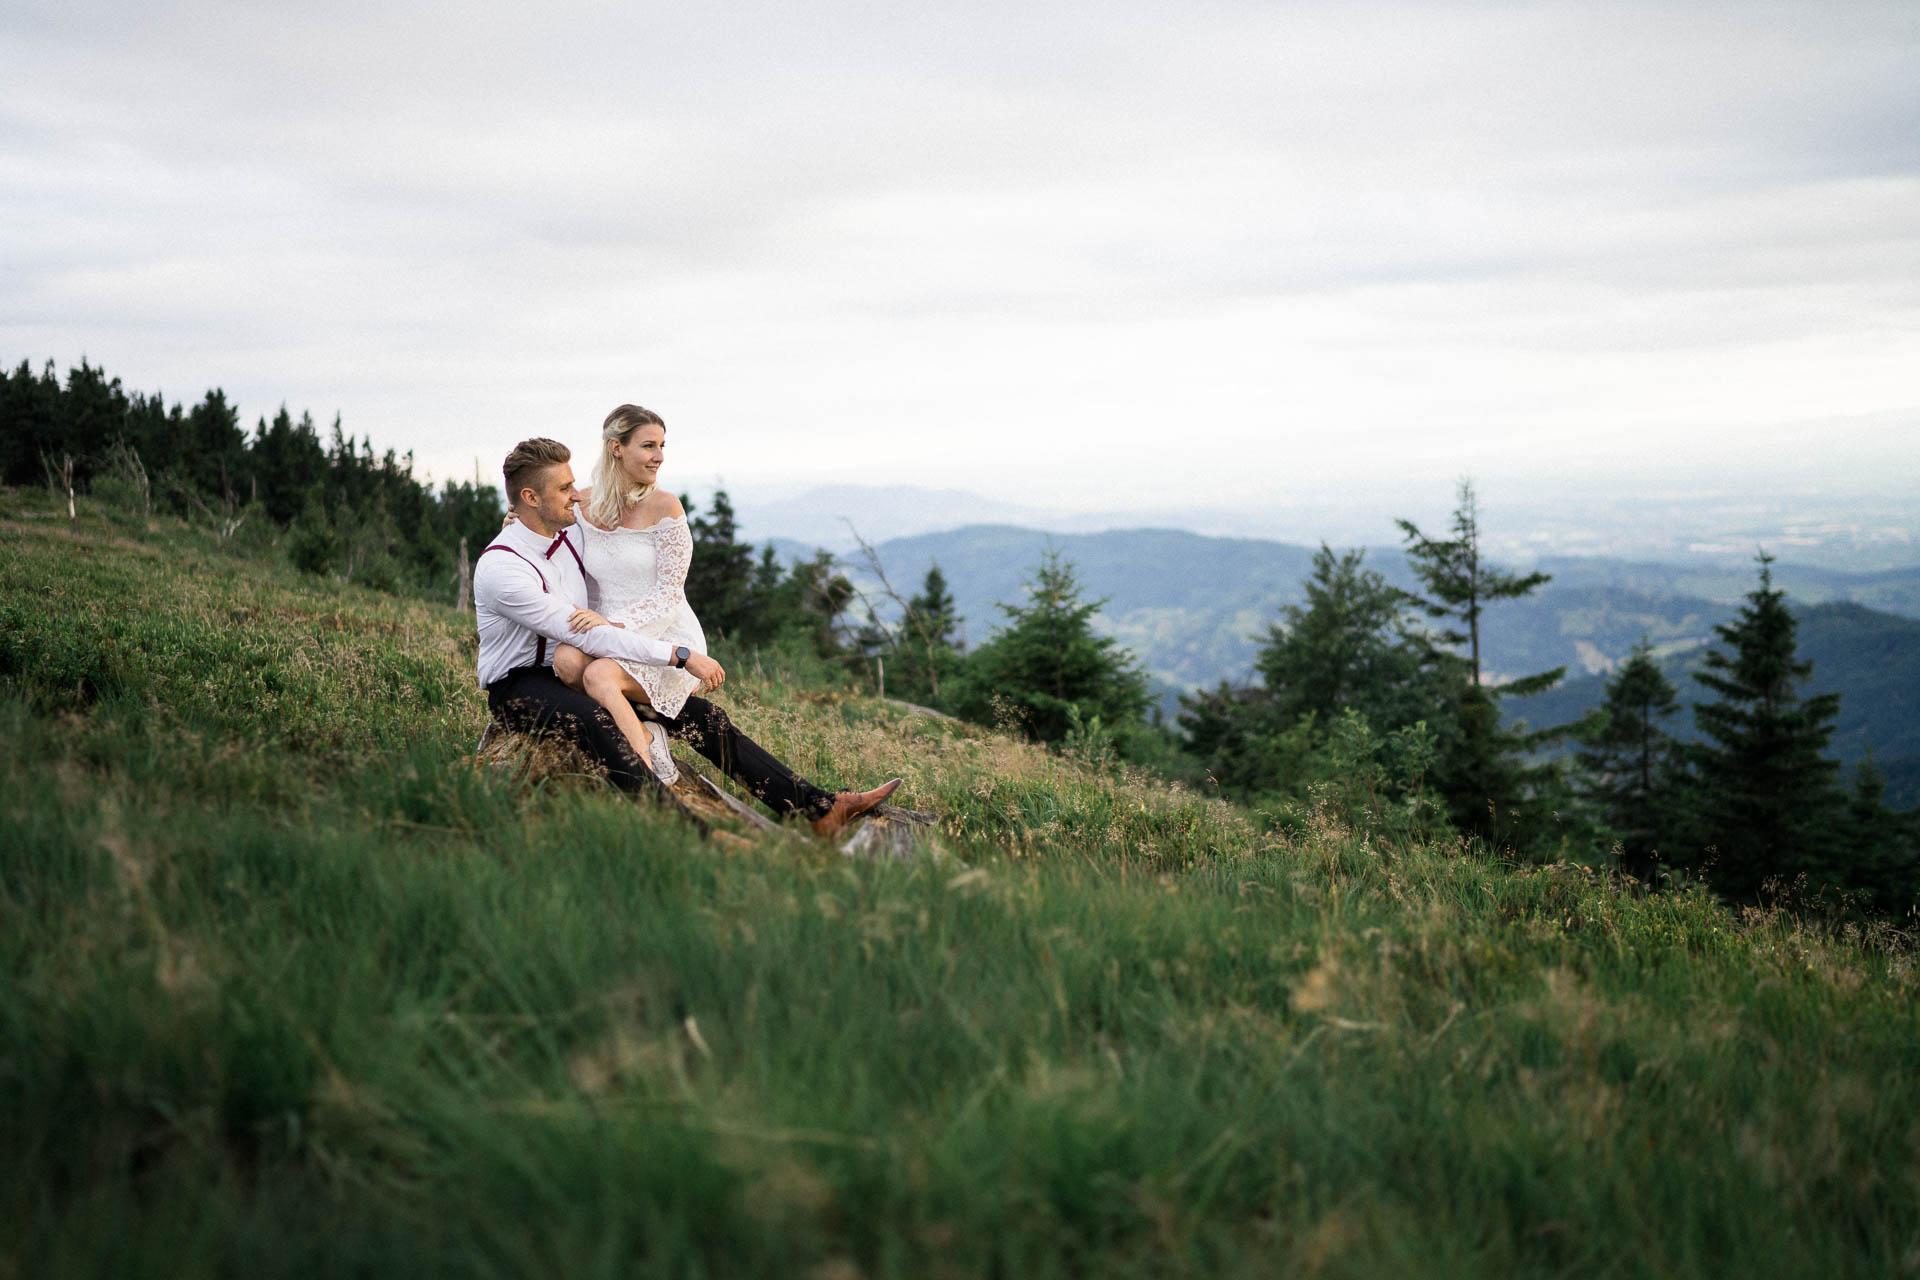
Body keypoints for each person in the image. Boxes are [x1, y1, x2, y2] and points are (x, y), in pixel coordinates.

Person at [475, 432, 899, 836]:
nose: (576, 494)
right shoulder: (502, 569)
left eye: (574, 484)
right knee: (594, 719)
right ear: (531, 498)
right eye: (565, 488)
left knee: (703, 718)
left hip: (568, 668)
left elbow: (599, 520)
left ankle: (818, 809)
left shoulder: (567, 533)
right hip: (519, 684)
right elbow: (588, 636)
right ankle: (688, 835)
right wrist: (678, 655)